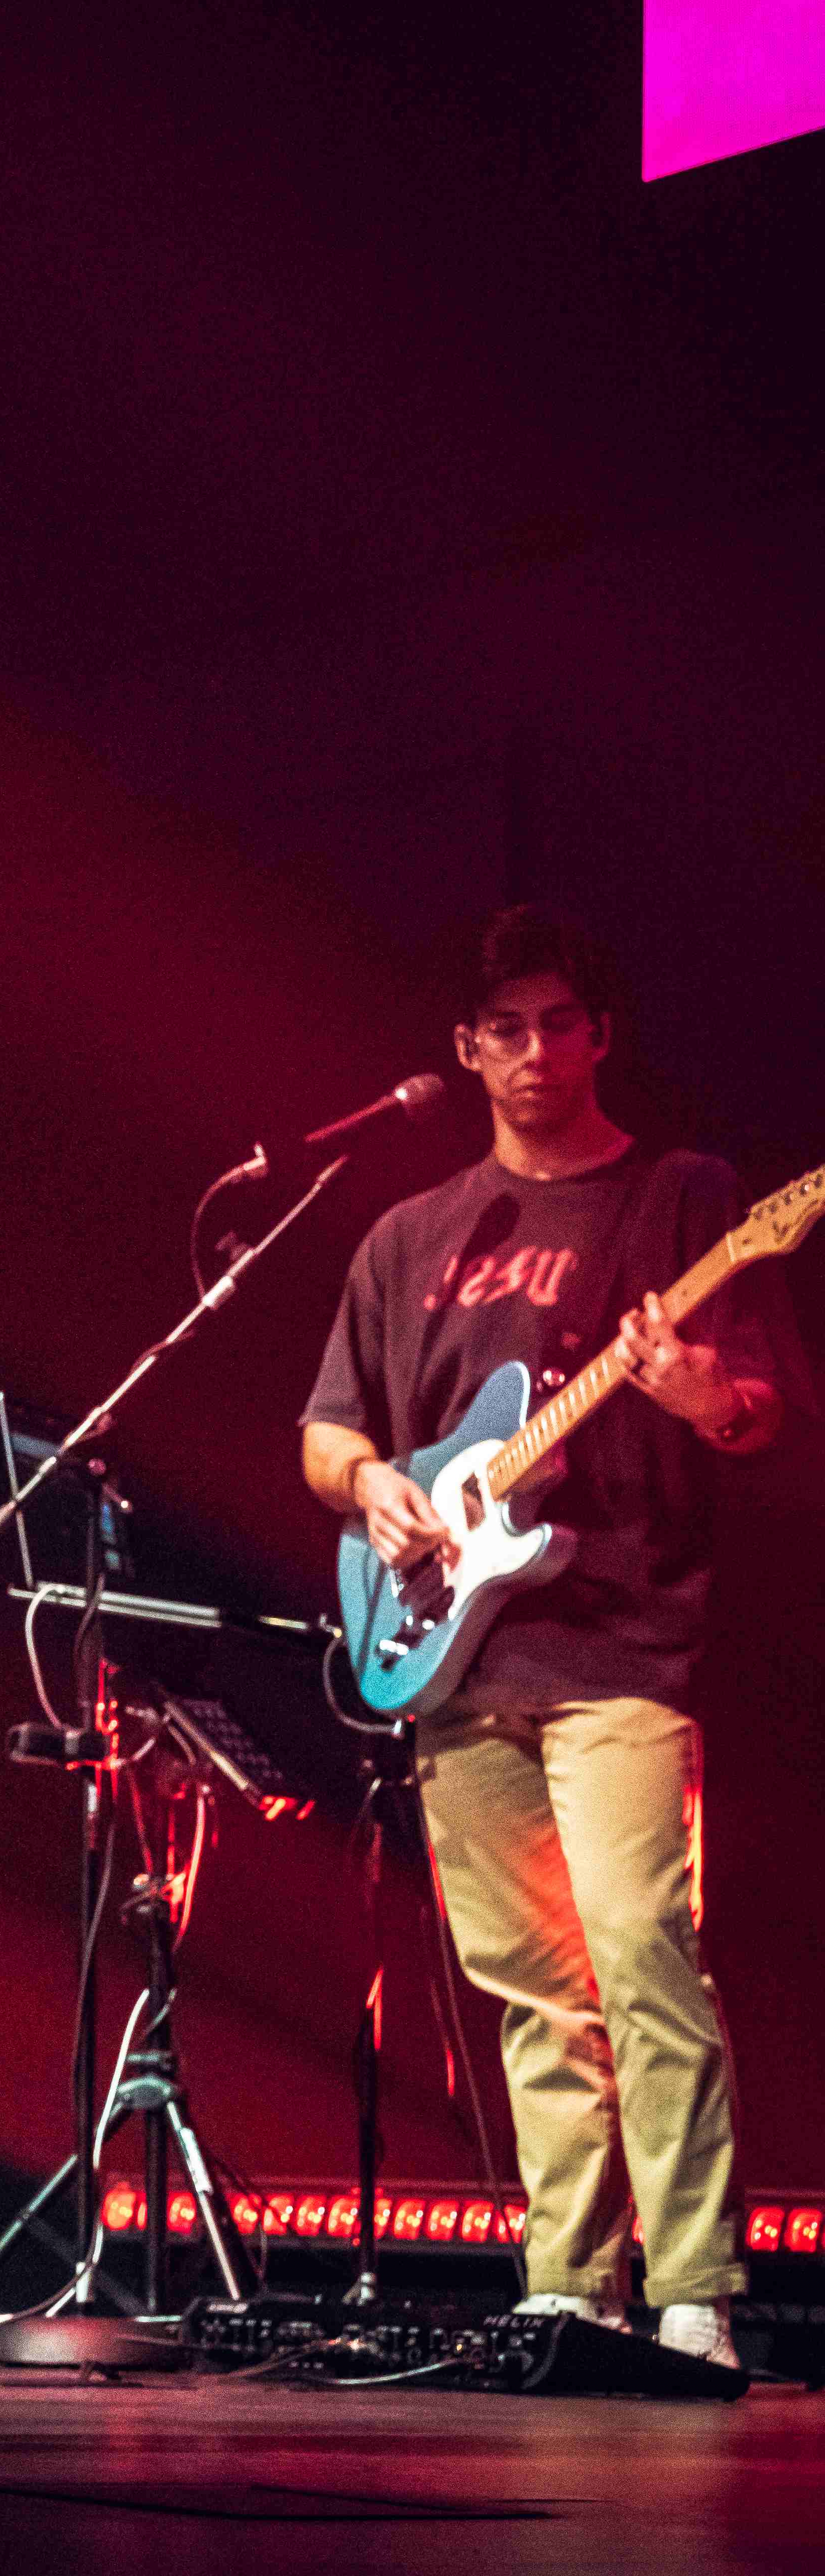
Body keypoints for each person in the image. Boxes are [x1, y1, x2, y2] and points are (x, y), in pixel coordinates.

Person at [302, 906, 793, 2370]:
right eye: (499, 1029)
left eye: (555, 1021)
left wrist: (694, 1385)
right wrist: (379, 1487)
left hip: (627, 1644)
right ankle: (566, 2280)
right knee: (528, 1988)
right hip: (460, 1652)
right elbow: (335, 1431)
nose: (529, 1051)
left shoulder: (690, 1195)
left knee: (645, 1951)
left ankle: (698, 2290)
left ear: (598, 1034)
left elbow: (755, 1416)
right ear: (465, 1049)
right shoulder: (413, 1234)